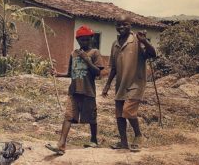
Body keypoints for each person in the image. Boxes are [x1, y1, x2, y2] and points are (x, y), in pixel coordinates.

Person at [46, 25, 106, 155]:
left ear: (91, 39)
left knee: (91, 118)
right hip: (73, 91)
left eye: (87, 39)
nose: (84, 42)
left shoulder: (95, 53)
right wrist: (58, 74)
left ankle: (94, 140)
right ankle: (61, 145)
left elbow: (97, 73)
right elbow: (69, 74)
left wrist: (86, 59)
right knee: (68, 117)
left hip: (88, 91)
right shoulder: (73, 54)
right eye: (81, 40)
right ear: (78, 40)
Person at [102, 15, 156, 152]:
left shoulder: (137, 41)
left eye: (124, 24)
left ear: (130, 25)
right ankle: (124, 142)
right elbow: (113, 67)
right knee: (119, 115)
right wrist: (107, 85)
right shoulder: (115, 44)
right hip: (120, 85)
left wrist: (145, 42)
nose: (121, 27)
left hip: (135, 84)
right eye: (118, 25)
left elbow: (153, 54)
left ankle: (138, 135)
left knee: (128, 112)